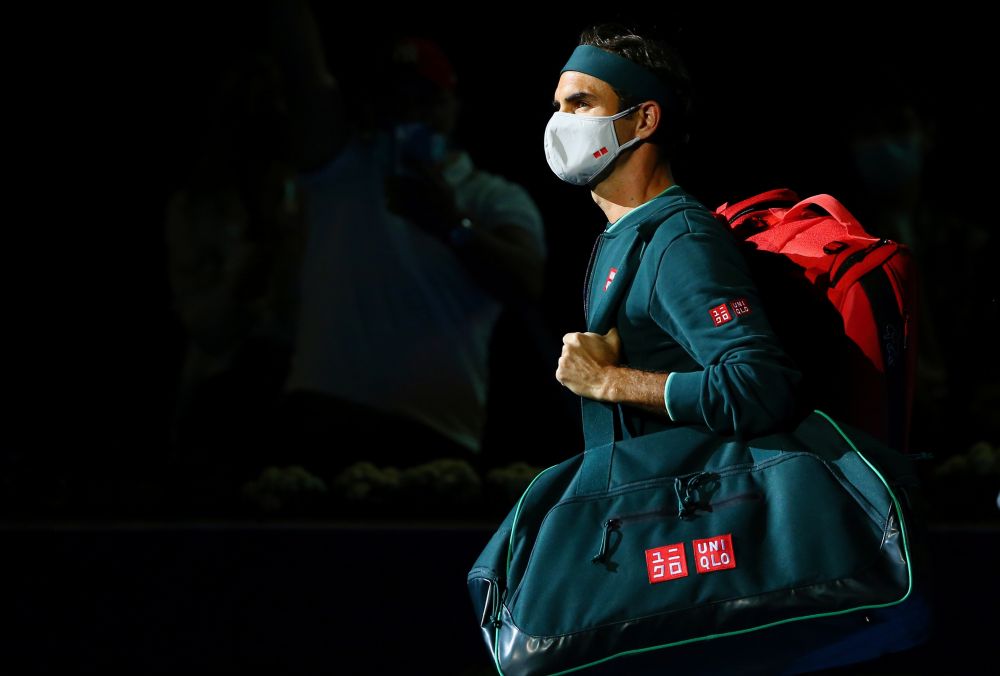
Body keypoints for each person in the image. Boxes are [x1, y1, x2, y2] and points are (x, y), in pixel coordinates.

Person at [260, 2, 546, 488]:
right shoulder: (339, 168)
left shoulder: (493, 196)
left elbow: (526, 285)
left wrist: (452, 225)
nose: (412, 114)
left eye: (427, 99)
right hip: (322, 419)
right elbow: (304, 73)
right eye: (397, 99)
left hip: (435, 434)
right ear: (372, 106)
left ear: (454, 106)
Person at [549, 25, 801, 440]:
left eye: (581, 103)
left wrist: (609, 381)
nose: (560, 122)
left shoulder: (681, 241)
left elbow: (761, 387)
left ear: (645, 119)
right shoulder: (631, 232)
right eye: (558, 105)